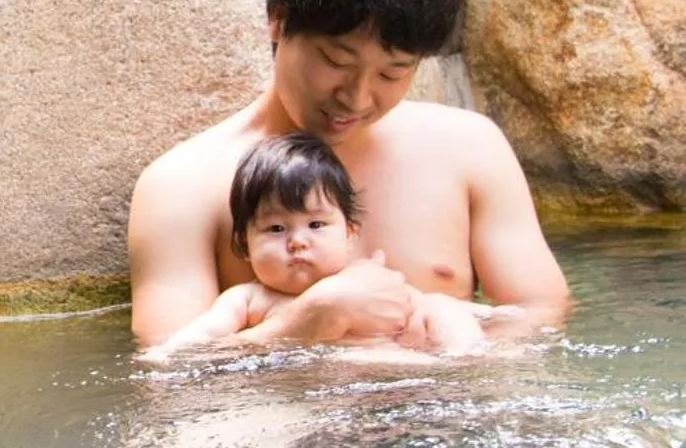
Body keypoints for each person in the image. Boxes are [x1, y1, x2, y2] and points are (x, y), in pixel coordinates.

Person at [127, 0, 569, 347]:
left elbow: (543, 315)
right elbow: (169, 377)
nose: (356, 97)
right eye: (336, 60)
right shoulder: (182, 186)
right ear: (278, 22)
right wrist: (309, 319)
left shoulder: (470, 148)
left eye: (392, 72)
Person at [144, 132, 493, 355]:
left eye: (315, 224)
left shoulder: (367, 277)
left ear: (349, 232)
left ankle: (469, 357)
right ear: (245, 245)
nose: (297, 242)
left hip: (401, 373)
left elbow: (420, 304)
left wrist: (484, 315)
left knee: (440, 306)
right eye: (277, 228)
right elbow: (199, 340)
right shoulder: (248, 300)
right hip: (308, 395)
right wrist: (165, 354)